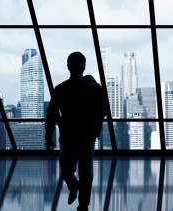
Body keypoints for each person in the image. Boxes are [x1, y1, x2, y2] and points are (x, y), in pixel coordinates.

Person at [45, 52, 107, 211]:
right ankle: (78, 191)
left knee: (82, 171)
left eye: (79, 62)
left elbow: (52, 112)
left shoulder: (63, 88)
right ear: (70, 65)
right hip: (76, 134)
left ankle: (83, 204)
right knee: (72, 170)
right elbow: (103, 110)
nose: (78, 65)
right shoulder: (88, 88)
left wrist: (49, 133)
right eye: (76, 62)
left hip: (78, 134)